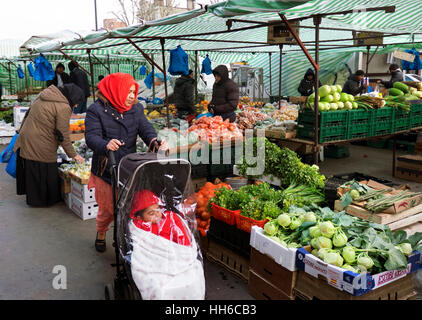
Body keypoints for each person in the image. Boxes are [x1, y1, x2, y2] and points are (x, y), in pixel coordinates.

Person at [85, 72, 166, 253]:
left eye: (133, 92)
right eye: (128, 91)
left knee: (129, 206)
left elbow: (145, 128)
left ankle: (123, 236)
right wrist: (106, 144)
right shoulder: (96, 110)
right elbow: (91, 136)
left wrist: (154, 140)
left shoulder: (136, 109)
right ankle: (101, 232)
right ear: (116, 90)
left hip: (129, 167)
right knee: (108, 209)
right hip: (107, 167)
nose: (131, 96)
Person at [13, 84, 85, 206]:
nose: (76, 105)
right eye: (77, 102)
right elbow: (62, 134)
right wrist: (73, 155)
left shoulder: (44, 95)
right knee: (46, 168)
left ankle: (34, 198)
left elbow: (28, 115)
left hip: (28, 136)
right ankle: (43, 200)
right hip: (41, 140)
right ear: (72, 97)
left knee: (34, 167)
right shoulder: (63, 106)